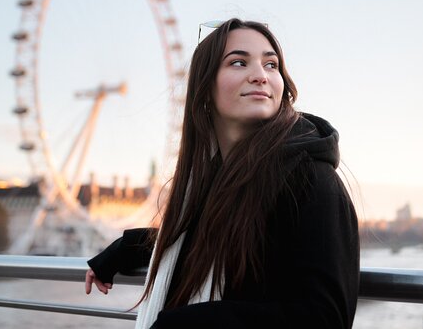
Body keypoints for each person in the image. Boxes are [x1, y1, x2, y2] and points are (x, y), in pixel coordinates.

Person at [85, 18, 360, 328]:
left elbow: (325, 318)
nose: (260, 75)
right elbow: (204, 238)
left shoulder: (309, 178)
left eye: (271, 65)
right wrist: (124, 250)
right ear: (205, 87)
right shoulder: (214, 179)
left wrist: (188, 324)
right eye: (239, 62)